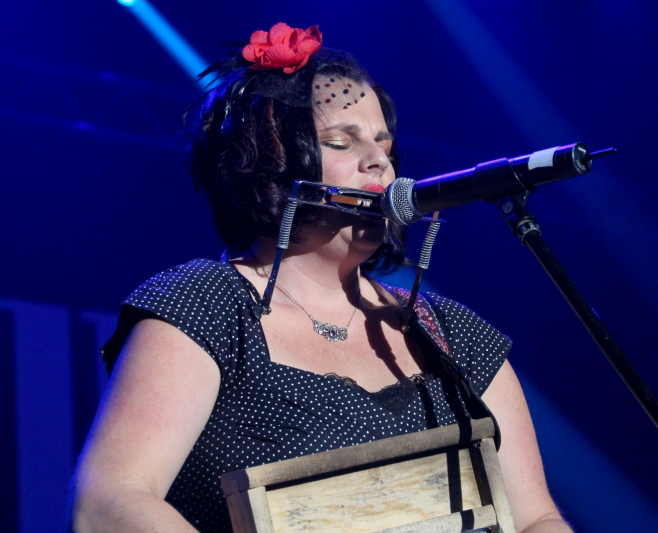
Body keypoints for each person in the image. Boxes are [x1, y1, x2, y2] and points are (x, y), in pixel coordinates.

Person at [72, 22, 573, 533]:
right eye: (340, 142)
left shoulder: (454, 335)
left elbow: (535, 519)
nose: (379, 163)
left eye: (385, 146)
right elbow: (109, 504)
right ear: (271, 164)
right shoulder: (208, 307)